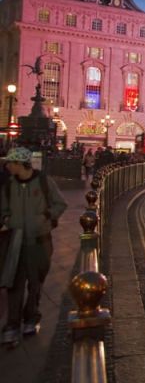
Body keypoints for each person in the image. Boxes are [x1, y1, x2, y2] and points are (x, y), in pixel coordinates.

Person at [0, 147, 67, 347]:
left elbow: (59, 204)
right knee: (14, 284)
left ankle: (31, 318)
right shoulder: (9, 185)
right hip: (15, 240)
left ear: (21, 164)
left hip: (40, 240)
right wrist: (6, 219)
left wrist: (45, 217)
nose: (7, 166)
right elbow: (2, 208)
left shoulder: (44, 182)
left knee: (35, 282)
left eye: (11, 162)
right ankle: (12, 325)